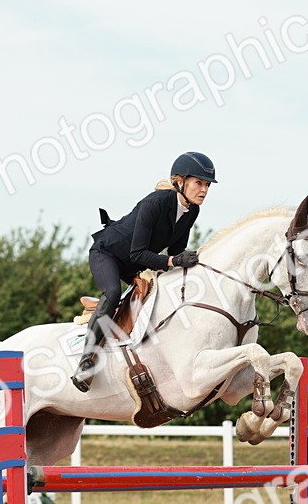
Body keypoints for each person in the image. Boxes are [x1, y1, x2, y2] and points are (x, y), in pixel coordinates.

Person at [70, 151, 216, 392]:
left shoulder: (192, 210)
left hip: (136, 263)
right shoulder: (154, 204)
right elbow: (138, 254)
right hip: (108, 254)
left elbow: (177, 250)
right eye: (198, 183)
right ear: (179, 182)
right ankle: (86, 361)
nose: (204, 190)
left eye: (207, 185)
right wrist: (172, 261)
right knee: (113, 292)